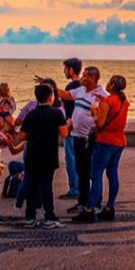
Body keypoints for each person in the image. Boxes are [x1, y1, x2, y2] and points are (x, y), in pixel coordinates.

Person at [52, 66, 107, 215]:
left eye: (85, 76)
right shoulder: (80, 91)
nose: (82, 78)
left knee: (91, 171)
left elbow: (104, 118)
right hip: (76, 136)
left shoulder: (102, 95)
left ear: (92, 78)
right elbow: (65, 95)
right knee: (80, 170)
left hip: (90, 138)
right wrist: (51, 85)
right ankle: (82, 201)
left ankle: (95, 202)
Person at [75, 75, 129, 223]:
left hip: (105, 141)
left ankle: (89, 209)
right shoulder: (124, 101)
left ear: (112, 85)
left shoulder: (108, 101)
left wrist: (94, 112)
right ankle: (109, 207)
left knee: (96, 174)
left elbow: (99, 123)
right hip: (119, 141)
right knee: (112, 174)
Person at [16, 83, 68, 228]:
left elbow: (21, 136)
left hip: (32, 154)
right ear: (51, 97)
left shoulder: (31, 114)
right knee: (46, 186)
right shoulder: (57, 113)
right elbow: (64, 133)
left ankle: (30, 216)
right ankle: (49, 216)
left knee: (31, 186)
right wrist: (69, 124)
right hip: (48, 155)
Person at [59, 58, 82, 200]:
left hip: (70, 126)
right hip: (80, 127)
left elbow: (65, 104)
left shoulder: (71, 87)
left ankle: (74, 189)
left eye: (65, 68)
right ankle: (81, 186)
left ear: (71, 70)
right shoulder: (82, 86)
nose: (64, 71)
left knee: (71, 158)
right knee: (80, 158)